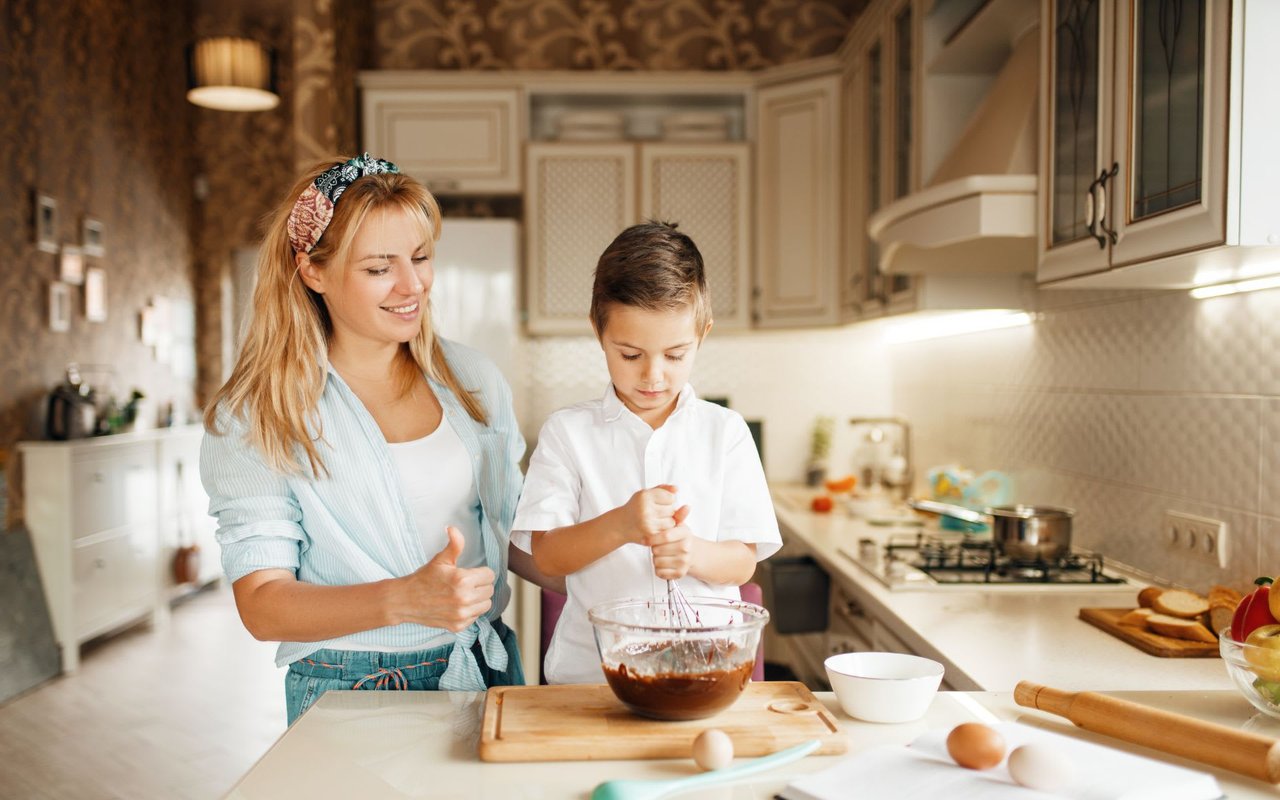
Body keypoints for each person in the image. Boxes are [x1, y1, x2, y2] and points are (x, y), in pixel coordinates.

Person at [201, 153, 555, 724]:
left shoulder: (472, 380)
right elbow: (263, 606)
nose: (412, 285)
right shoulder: (257, 413)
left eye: (420, 257)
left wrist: (623, 547)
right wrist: (404, 600)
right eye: (378, 268)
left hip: (488, 664)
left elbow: (516, 535)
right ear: (312, 271)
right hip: (351, 686)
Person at [510, 221, 781, 685]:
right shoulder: (567, 433)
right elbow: (548, 556)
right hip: (591, 679)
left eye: (675, 355)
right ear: (599, 331)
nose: (653, 376)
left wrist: (692, 552)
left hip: (705, 669)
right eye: (631, 355)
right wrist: (621, 524)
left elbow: (744, 560)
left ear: (703, 334)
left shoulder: (727, 433)